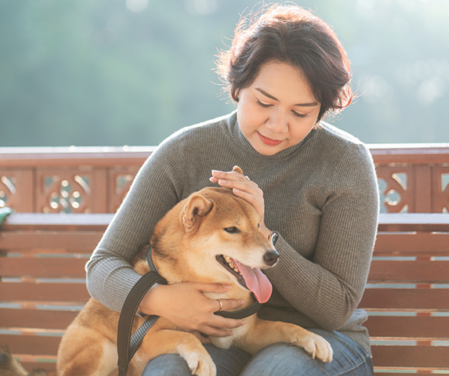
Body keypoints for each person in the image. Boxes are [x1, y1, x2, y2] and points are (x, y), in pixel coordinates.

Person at [85, 3, 378, 375]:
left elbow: (336, 307)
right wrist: (160, 299)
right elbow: (102, 266)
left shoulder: (345, 163)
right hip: (213, 336)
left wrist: (264, 231)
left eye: (300, 113)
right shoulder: (184, 152)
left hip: (322, 338)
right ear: (238, 86)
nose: (277, 125)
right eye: (264, 102)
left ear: (321, 110)